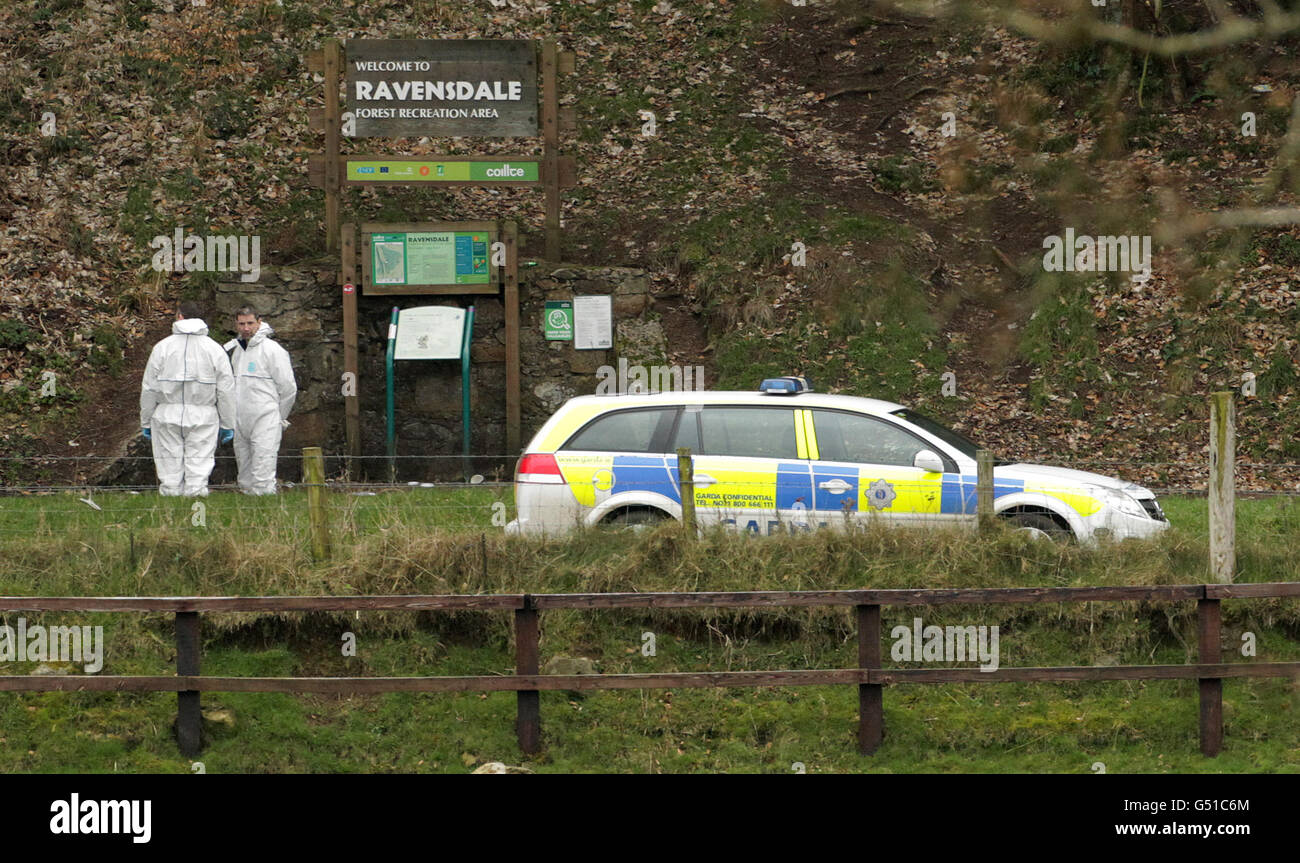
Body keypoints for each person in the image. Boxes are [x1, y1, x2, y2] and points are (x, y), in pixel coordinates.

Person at [140, 301, 235, 496]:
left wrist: (146, 420)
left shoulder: (162, 347)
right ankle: (195, 508)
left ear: (180, 316)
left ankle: (170, 507)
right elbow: (226, 391)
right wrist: (227, 423)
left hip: (167, 412)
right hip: (203, 414)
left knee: (169, 466)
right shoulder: (214, 349)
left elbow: (149, 387)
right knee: (199, 466)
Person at [222, 306, 296, 495]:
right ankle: (248, 509)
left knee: (263, 466)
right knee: (244, 470)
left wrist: (279, 416)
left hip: (266, 417)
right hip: (240, 418)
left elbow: (288, 388)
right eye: (241, 324)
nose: (246, 328)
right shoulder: (236, 350)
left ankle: (266, 509)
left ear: (259, 322)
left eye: (250, 323)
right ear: (236, 324)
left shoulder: (273, 350)